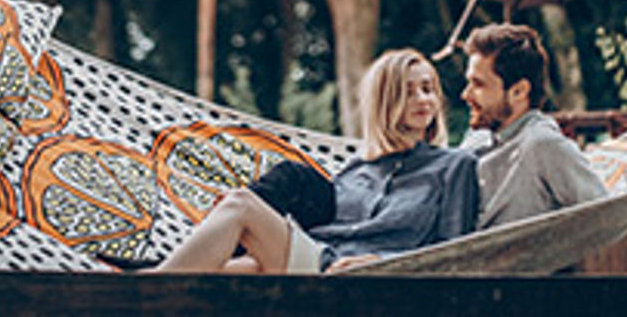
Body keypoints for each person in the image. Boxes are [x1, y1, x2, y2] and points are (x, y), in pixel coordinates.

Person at [156, 48, 479, 274]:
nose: (424, 100)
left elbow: (453, 254)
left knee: (241, 204)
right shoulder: (358, 169)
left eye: (428, 89)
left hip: (376, 273)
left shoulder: (455, 166)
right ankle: (140, 295)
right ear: (386, 101)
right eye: (409, 92)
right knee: (216, 270)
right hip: (319, 259)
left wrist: (379, 259)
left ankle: (145, 292)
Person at [460, 23, 606, 228]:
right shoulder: (476, 139)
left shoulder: (543, 145)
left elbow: (603, 212)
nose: (465, 95)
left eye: (478, 84)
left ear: (519, 91)